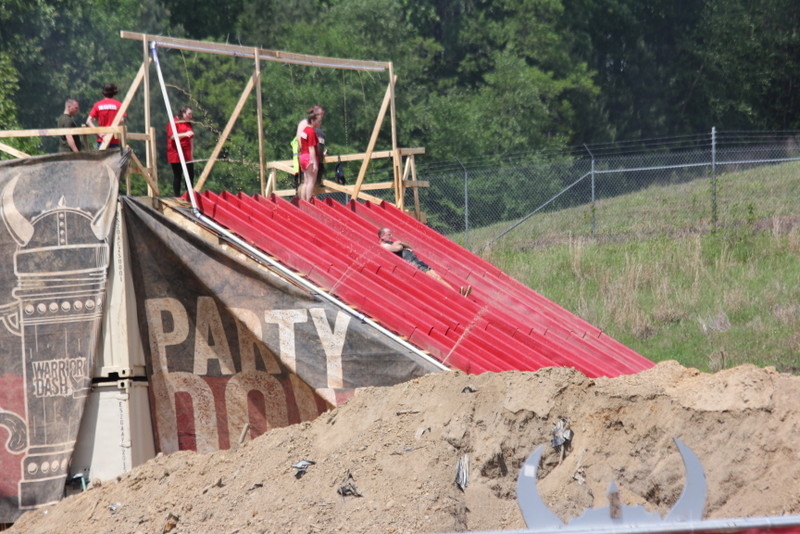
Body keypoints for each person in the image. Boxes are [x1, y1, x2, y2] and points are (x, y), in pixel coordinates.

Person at [378, 227, 471, 296]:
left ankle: (457, 293)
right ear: (382, 236)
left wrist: (400, 243)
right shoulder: (384, 246)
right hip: (413, 264)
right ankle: (457, 295)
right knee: (436, 278)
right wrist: (399, 243)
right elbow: (397, 248)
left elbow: (409, 246)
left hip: (417, 261)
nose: (391, 236)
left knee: (438, 277)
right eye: (389, 234)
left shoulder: (392, 242)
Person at [86, 82, 126, 149]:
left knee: (101, 159)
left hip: (102, 140)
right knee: (114, 159)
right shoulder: (119, 105)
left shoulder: (97, 105)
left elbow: (88, 121)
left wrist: (99, 133)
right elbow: (121, 120)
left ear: (103, 93)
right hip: (114, 139)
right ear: (114, 93)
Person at [166, 106, 195, 196]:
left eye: (191, 114)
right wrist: (185, 134)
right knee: (178, 174)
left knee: (190, 174)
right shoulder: (174, 122)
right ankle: (177, 196)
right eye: (189, 114)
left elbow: (191, 139)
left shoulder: (188, 123)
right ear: (183, 113)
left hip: (187, 151)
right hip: (175, 152)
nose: (190, 116)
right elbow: (172, 136)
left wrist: (191, 154)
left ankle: (189, 194)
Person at [296, 105, 326, 178]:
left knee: (310, 183)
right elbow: (301, 140)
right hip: (308, 156)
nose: (322, 116)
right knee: (308, 182)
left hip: (310, 157)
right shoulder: (306, 124)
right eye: (320, 114)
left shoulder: (314, 126)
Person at [298, 112, 321, 201]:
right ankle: (308, 201)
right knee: (311, 181)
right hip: (308, 156)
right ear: (312, 121)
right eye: (317, 121)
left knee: (306, 181)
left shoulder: (304, 130)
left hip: (302, 156)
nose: (319, 123)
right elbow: (311, 147)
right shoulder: (311, 131)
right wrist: (314, 163)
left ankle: (303, 200)